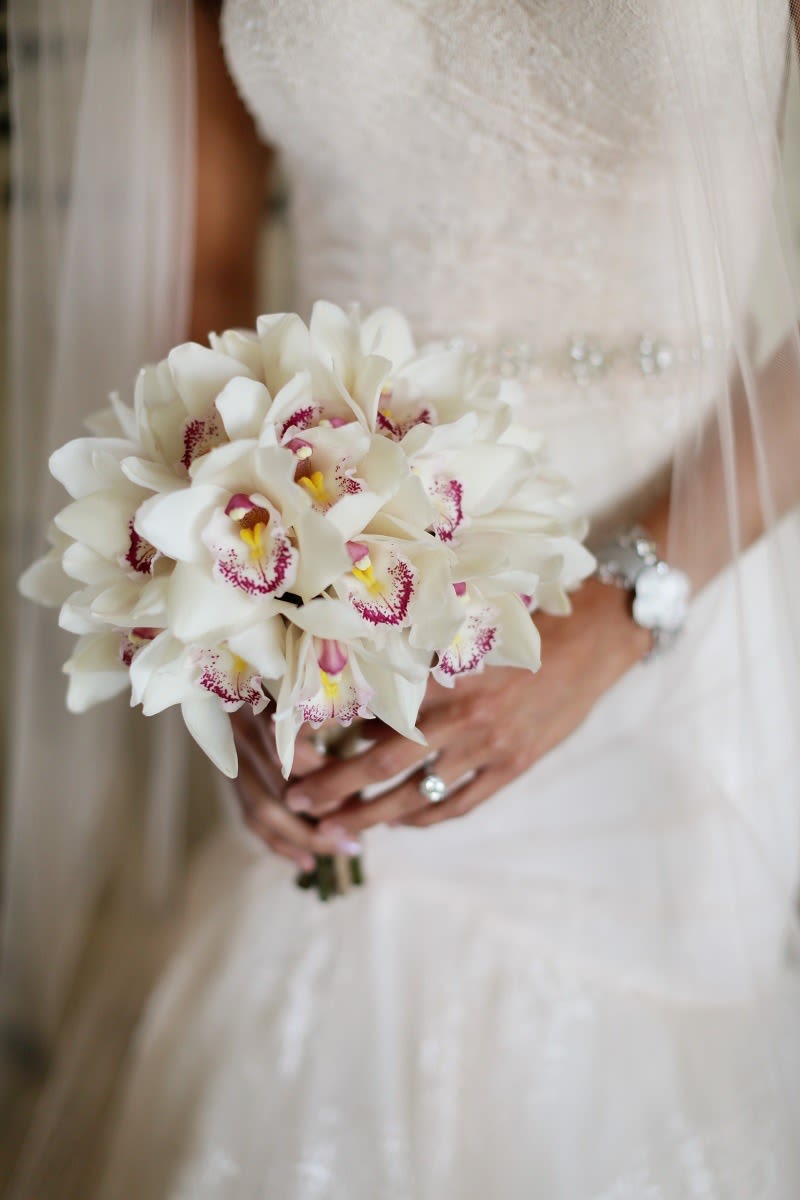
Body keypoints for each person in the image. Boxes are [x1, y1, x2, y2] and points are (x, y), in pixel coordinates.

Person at [5, 1, 800, 1196]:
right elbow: (208, 271)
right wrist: (235, 633)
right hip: (338, 624)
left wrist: (620, 610)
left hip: (681, 604)